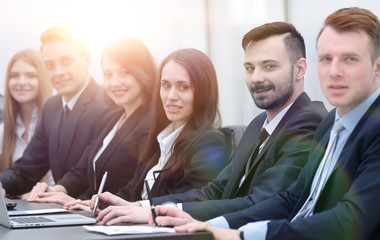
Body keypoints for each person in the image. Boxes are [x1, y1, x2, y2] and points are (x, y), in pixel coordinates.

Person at [158, 7, 380, 240]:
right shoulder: (331, 122)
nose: (334, 71)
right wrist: (217, 225)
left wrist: (245, 235)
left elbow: (351, 220)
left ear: (378, 66)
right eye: (326, 59)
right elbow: (293, 197)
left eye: (350, 59)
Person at [90, 22, 327, 225]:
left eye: (269, 66)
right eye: (249, 68)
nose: (256, 78)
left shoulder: (308, 120)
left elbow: (261, 202)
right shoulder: (257, 125)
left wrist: (155, 213)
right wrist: (142, 206)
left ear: (300, 69)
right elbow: (213, 191)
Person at [65, 48, 230, 215]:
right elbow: (133, 193)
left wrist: (138, 208)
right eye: (166, 85)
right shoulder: (161, 138)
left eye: (183, 87)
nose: (171, 96)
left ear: (203, 91)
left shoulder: (210, 141)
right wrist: (98, 204)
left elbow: (188, 201)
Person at [23, 38, 157, 205]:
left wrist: (83, 204)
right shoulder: (115, 117)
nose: (114, 83)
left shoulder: (152, 123)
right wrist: (55, 191)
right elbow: (83, 170)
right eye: (108, 75)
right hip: (94, 216)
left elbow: (136, 188)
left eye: (124, 73)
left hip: (118, 221)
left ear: (142, 72)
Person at [0, 25, 116, 197]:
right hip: (59, 210)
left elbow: (89, 173)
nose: (58, 72)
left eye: (66, 61)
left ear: (87, 59)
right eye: (49, 65)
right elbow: (27, 168)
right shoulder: (52, 107)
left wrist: (52, 193)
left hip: (91, 212)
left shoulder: (108, 104)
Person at [0, 49, 54, 187]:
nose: (21, 82)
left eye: (31, 75)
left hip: (52, 204)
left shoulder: (56, 126)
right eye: (14, 76)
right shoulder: (3, 131)